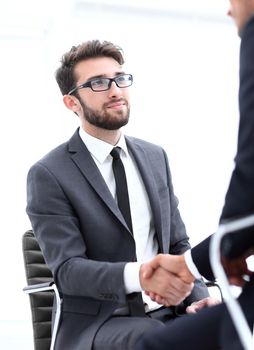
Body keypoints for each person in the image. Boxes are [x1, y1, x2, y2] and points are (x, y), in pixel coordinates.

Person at [26, 40, 216, 350]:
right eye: (98, 83)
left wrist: (199, 298)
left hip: (170, 312)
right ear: (72, 103)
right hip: (100, 324)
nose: (115, 90)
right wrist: (140, 276)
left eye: (120, 79)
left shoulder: (155, 157)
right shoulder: (49, 173)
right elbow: (69, 271)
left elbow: (177, 245)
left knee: (224, 327)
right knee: (156, 339)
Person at [134, 0, 254, 349]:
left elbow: (251, 169)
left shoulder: (155, 157)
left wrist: (223, 249)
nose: (230, 12)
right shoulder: (48, 172)